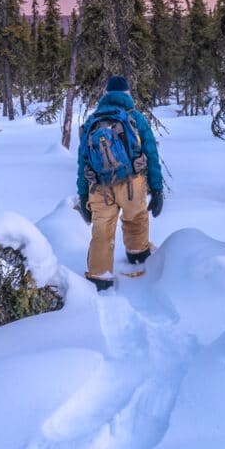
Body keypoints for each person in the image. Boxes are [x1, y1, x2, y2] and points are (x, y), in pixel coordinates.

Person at [76, 75, 163, 291]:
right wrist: (157, 188)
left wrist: (83, 196)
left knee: (101, 230)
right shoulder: (136, 118)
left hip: (99, 187)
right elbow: (150, 153)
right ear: (127, 94)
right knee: (135, 218)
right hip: (132, 183)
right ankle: (137, 254)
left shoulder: (91, 121)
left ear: (105, 94)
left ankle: (99, 275)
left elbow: (82, 162)